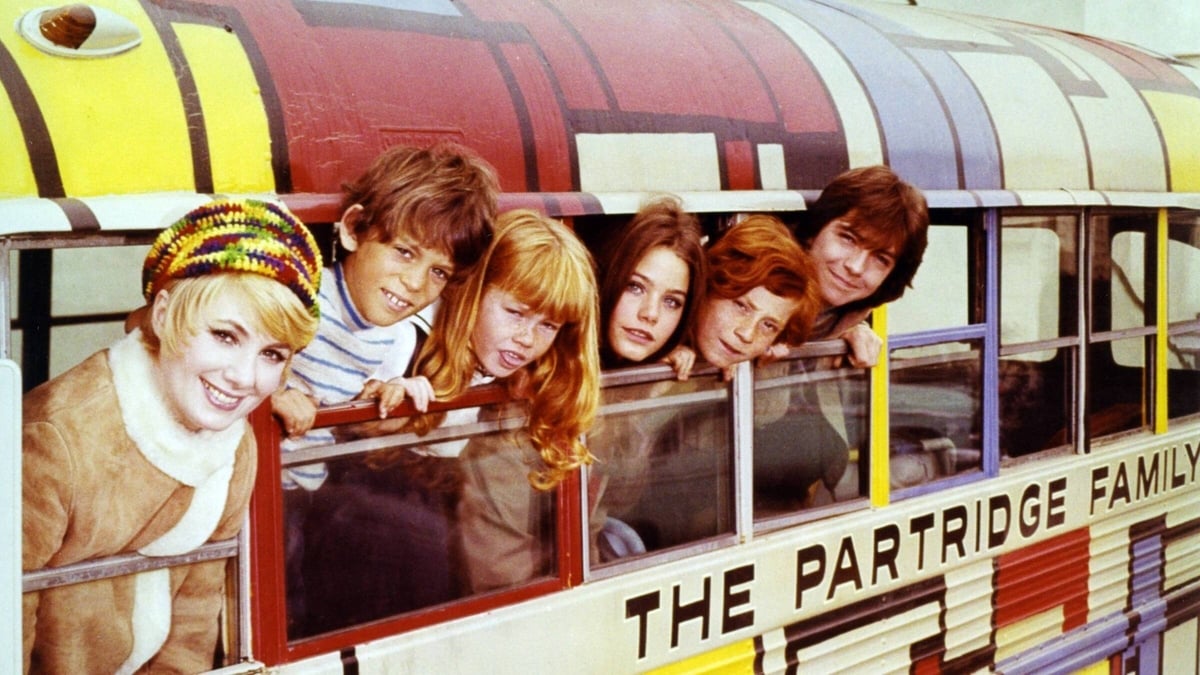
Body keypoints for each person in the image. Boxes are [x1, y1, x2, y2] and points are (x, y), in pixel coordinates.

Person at [22, 199, 321, 674]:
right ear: (162, 316)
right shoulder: (58, 438)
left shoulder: (236, 445)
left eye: (272, 354)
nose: (244, 378)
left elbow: (194, 621)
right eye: (225, 336)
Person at [299, 208, 601, 631]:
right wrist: (384, 406)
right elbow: (334, 419)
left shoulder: (512, 362)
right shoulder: (403, 341)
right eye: (515, 313)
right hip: (362, 516)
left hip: (432, 513)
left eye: (548, 325)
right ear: (472, 290)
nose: (526, 339)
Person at [271, 142, 498, 632]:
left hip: (310, 493)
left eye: (438, 271)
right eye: (404, 252)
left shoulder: (393, 334)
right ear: (354, 229)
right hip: (259, 498)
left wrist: (390, 392)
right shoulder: (298, 300)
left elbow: (365, 395)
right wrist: (271, 395)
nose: (415, 283)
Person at [755, 164, 929, 509]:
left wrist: (849, 331)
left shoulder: (841, 317)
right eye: (847, 238)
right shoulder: (752, 289)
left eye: (880, 259)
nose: (855, 267)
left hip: (792, 503)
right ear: (813, 232)